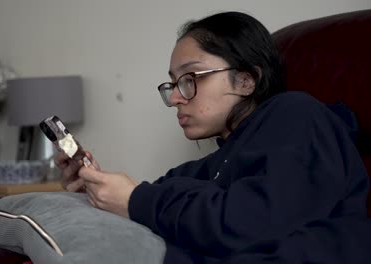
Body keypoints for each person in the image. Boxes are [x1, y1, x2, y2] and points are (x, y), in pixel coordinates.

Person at [56, 11, 371, 263]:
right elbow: (154, 199)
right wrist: (98, 190)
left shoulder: (299, 114)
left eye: (190, 78)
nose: (177, 97)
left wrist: (136, 200)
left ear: (247, 80)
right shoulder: (210, 167)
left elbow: (258, 221)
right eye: (173, 84)